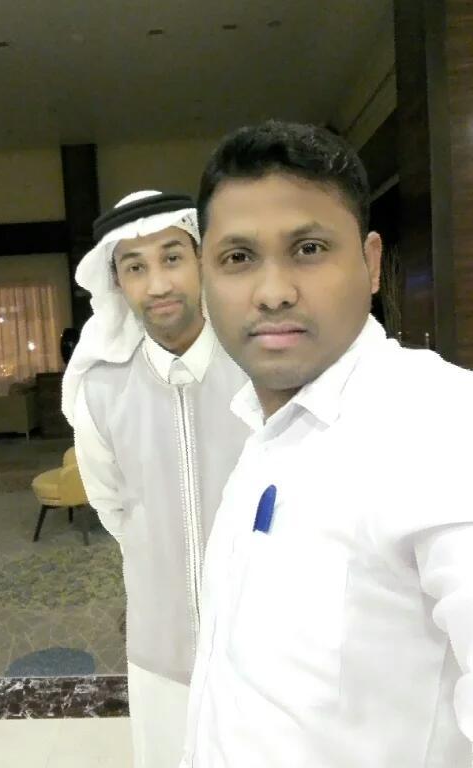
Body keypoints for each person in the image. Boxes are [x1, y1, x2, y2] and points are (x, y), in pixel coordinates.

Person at [180, 121, 473, 767]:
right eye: (237, 258)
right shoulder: (264, 430)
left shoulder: (438, 423)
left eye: (308, 249)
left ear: (371, 262)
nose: (272, 292)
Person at [61, 190, 248, 768]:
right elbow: (112, 506)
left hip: (264, 640)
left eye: (172, 257)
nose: (158, 283)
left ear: (201, 261)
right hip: (159, 647)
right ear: (117, 284)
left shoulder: (259, 368)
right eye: (135, 267)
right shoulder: (100, 390)